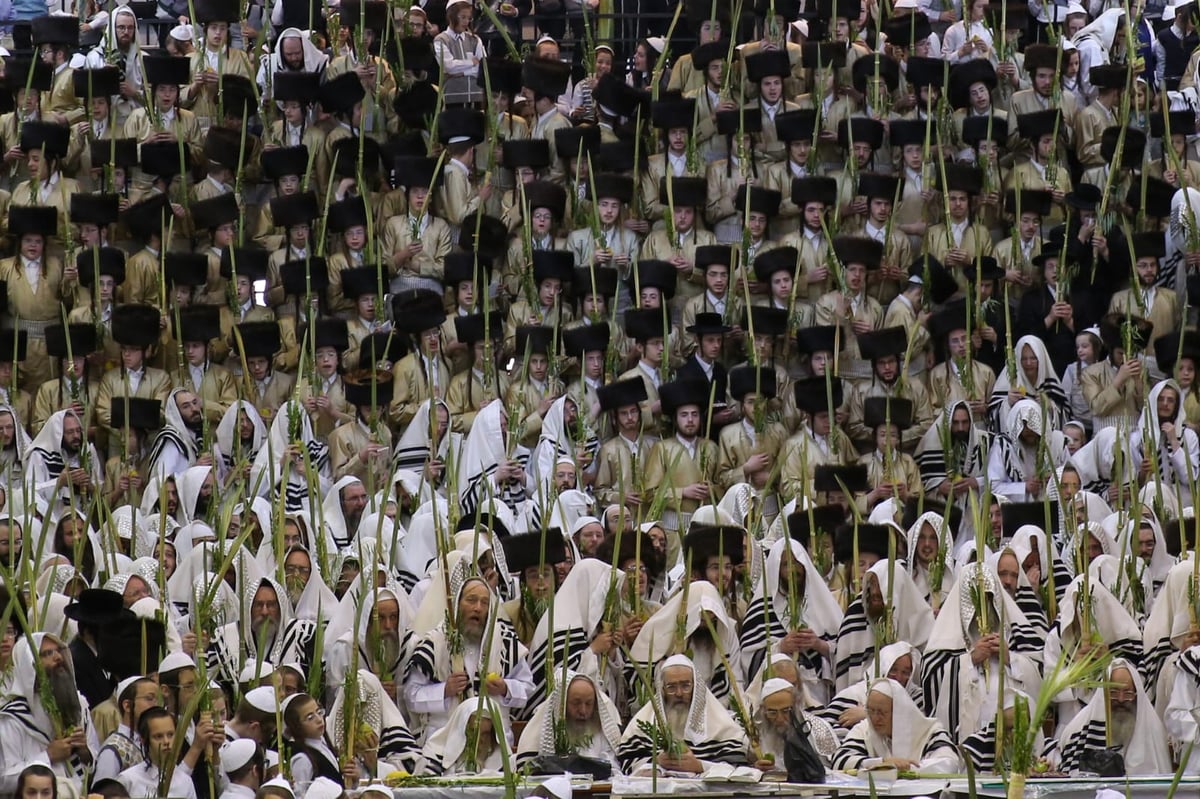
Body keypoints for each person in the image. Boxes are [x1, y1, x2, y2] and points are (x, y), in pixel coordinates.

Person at [615, 654, 747, 775]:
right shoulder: (643, 723)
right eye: (671, 687)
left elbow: (737, 768)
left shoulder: (720, 725)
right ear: (662, 689)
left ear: (696, 687)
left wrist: (699, 766)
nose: (679, 693)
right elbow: (625, 764)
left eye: (685, 686)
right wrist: (656, 761)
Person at [832, 678, 961, 774]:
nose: (875, 718)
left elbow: (949, 764)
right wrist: (882, 764)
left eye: (882, 712)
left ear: (899, 712)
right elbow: (839, 760)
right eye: (871, 711)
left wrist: (907, 768)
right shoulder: (864, 729)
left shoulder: (929, 731)